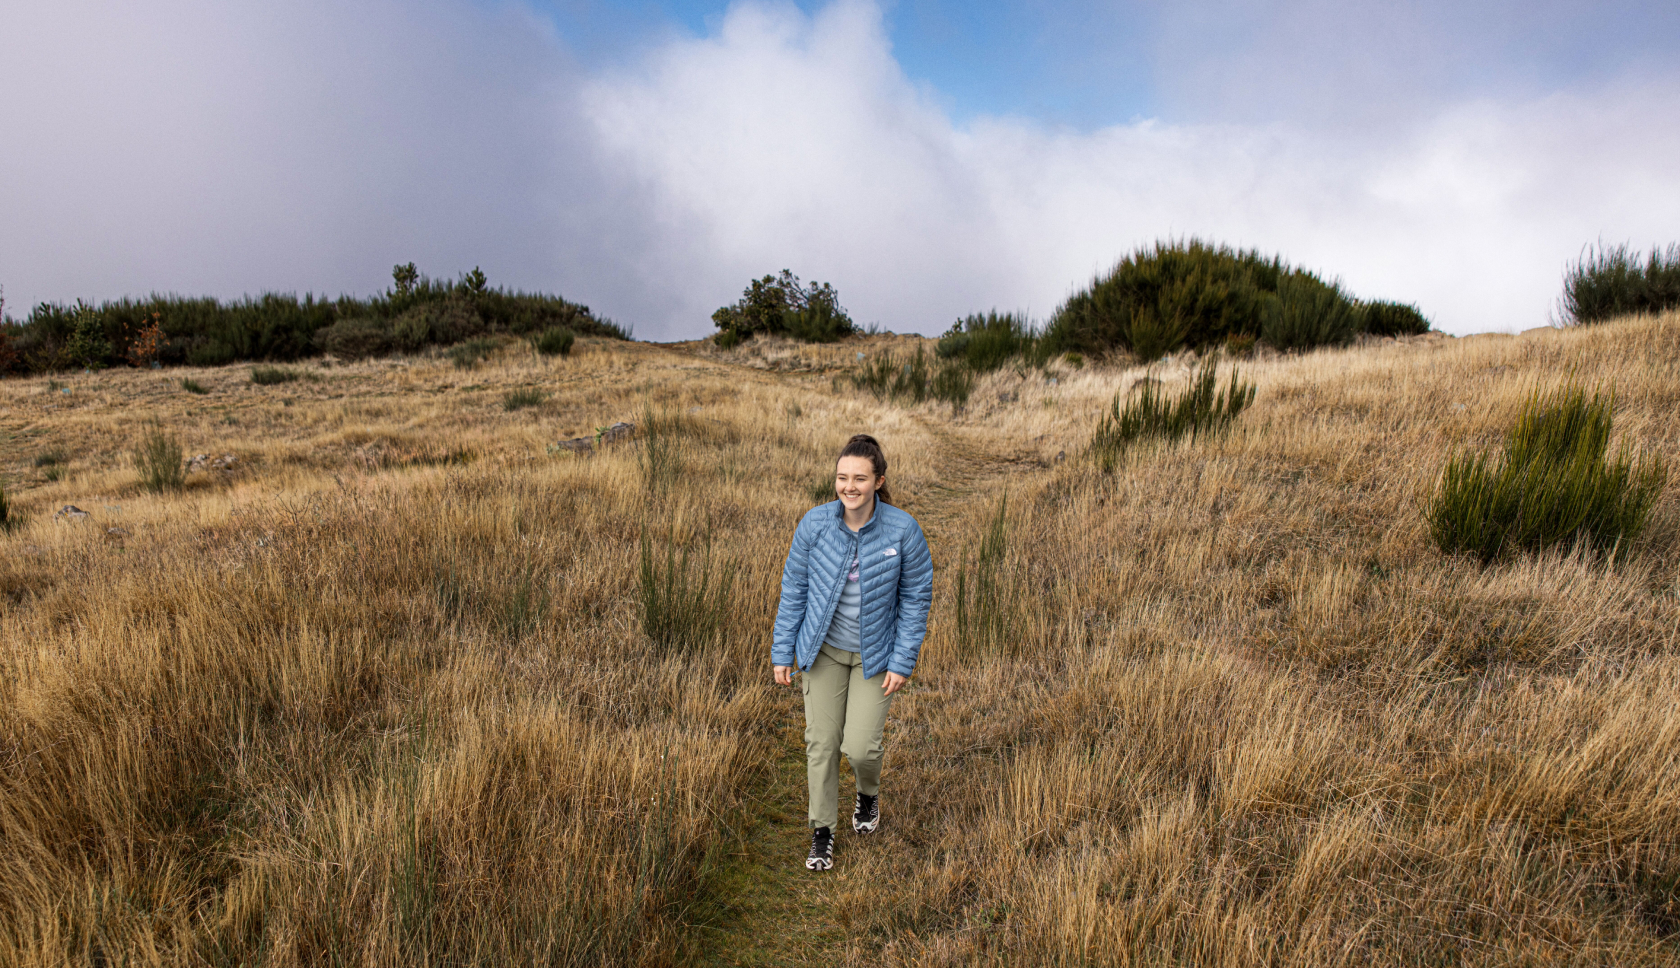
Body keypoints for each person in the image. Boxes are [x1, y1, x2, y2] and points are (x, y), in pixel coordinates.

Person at [772, 434, 933, 872]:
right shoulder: (814, 524)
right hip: (822, 651)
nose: (849, 486)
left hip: (874, 655)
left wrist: (902, 660)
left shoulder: (903, 530)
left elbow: (917, 597)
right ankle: (822, 832)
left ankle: (867, 793)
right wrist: (782, 652)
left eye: (860, 478)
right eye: (842, 477)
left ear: (878, 481)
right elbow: (794, 591)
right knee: (821, 743)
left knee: (861, 748)